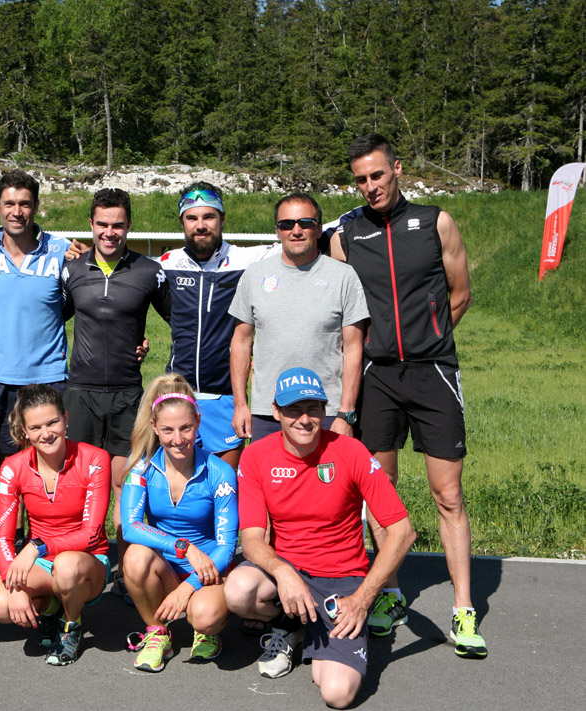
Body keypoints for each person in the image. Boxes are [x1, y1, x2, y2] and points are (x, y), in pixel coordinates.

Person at [330, 133, 485, 658]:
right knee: (381, 492)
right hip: (377, 376)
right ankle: (391, 594)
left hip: (432, 372)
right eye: (360, 179)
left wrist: (430, 337)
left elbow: (460, 293)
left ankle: (463, 610)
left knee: (448, 494)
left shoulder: (435, 221)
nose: (370, 186)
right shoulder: (346, 233)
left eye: (377, 175)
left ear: (396, 169)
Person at [224, 367, 415, 709]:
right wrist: (284, 572)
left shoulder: (352, 451)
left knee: (337, 694)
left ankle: (311, 627)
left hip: (343, 579)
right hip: (288, 571)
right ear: (276, 411)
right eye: (294, 410)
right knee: (238, 591)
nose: (304, 419)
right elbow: (252, 540)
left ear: (324, 411)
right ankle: (290, 622)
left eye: (313, 409)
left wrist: (362, 599)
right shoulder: (256, 455)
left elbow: (403, 531)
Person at [61, 187, 172, 582]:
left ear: (129, 226)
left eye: (118, 225)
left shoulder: (149, 271)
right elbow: (48, 318)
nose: (110, 232)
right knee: (81, 486)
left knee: (126, 486)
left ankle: (127, 571)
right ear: (91, 225)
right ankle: (81, 567)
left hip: (128, 394)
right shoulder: (71, 269)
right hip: (80, 392)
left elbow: (186, 320)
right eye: (103, 225)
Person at [0, 384, 112, 666]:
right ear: (25, 431)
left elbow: (91, 533)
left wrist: (38, 547)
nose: (46, 433)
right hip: (43, 562)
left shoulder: (95, 459)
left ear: (66, 419)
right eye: (36, 427)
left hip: (86, 561)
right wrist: (14, 586)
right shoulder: (12, 467)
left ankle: (72, 625)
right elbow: (2, 539)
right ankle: (52, 608)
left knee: (66, 565)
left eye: (53, 422)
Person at [120, 373, 238, 672]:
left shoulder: (220, 472)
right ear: (154, 428)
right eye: (168, 430)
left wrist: (190, 587)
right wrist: (183, 546)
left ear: (198, 421)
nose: (178, 439)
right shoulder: (141, 468)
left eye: (186, 428)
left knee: (204, 616)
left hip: (209, 570)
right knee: (134, 557)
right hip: (167, 566)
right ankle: (158, 634)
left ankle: (205, 631)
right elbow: (132, 527)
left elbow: (226, 548)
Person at [229, 193, 369, 443]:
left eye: (305, 223)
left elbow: (353, 348)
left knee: (327, 482)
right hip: (268, 411)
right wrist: (241, 405)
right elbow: (240, 343)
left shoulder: (344, 277)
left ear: (318, 229)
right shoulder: (254, 275)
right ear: (277, 231)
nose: (296, 230)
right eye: (287, 224)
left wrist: (346, 413)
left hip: (325, 410)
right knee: (269, 482)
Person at [158, 181, 278, 469]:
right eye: (192, 218)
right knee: (179, 488)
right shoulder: (166, 262)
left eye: (209, 217)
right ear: (182, 222)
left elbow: (301, 237)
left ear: (222, 219)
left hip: (226, 396)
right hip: (178, 392)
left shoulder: (245, 259)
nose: (201, 225)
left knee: (225, 488)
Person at [0, 170, 70, 470]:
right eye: (9, 204)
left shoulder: (61, 251)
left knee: (51, 459)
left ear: (36, 206)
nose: (17, 212)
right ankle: (12, 518)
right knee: (7, 465)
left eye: (24, 204)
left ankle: (47, 518)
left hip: (48, 375)